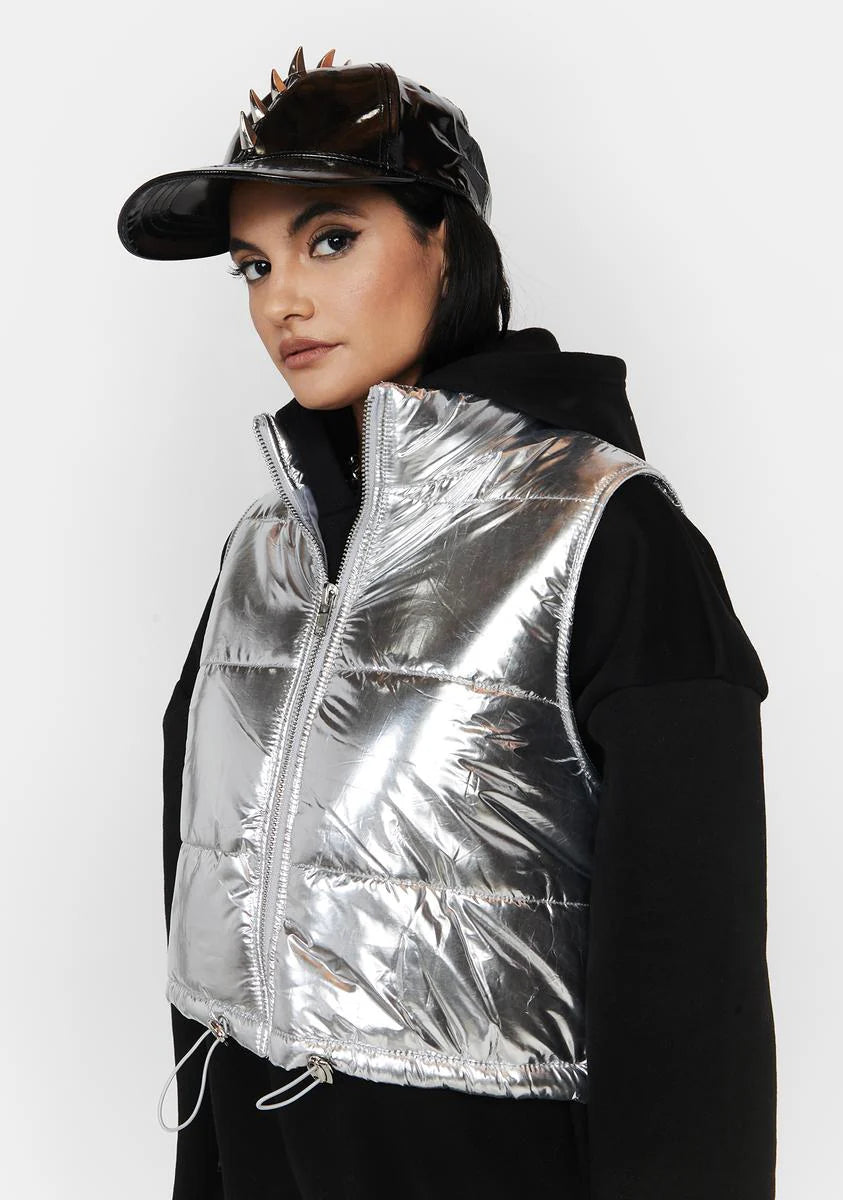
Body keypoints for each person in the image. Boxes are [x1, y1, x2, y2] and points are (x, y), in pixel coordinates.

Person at [118, 47, 777, 1200]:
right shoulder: (261, 551)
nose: (281, 300)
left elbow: (692, 991)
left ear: (445, 241)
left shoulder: (606, 537)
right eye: (253, 265)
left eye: (331, 239)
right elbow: (203, 911)